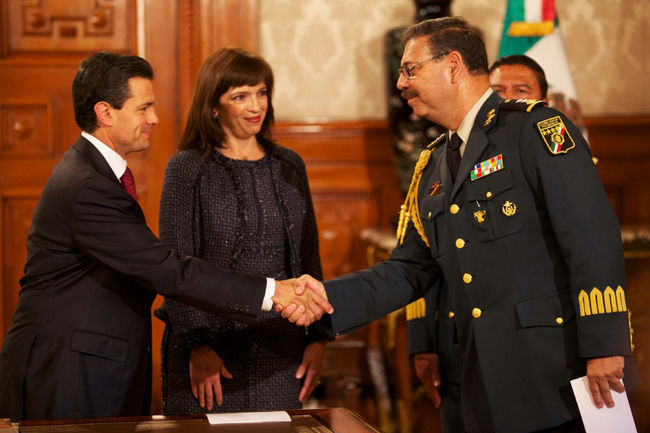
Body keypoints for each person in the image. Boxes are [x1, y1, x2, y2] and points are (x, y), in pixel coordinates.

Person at [282, 17, 636, 433]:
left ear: (452, 66)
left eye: (410, 69)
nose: (400, 83)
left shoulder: (535, 130)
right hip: (481, 381)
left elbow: (592, 241)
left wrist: (604, 347)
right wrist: (325, 298)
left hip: (559, 376)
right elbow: (409, 270)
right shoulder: (433, 164)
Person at [0, 51, 331, 421]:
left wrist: (315, 331)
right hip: (70, 371)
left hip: (96, 365)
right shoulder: (87, 186)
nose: (154, 118)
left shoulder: (94, 175)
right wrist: (273, 292)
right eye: (144, 108)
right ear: (106, 113)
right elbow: (169, 269)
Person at [155, 48, 329, 415]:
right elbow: (174, 266)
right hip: (209, 349)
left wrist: (318, 337)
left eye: (262, 92)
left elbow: (308, 257)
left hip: (281, 346)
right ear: (213, 106)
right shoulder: (187, 168)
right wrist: (198, 345)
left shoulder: (289, 165)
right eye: (240, 96)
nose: (256, 106)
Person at [407, 53, 550, 433]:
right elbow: (424, 262)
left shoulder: (543, 146)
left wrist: (603, 347)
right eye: (498, 89)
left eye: (521, 90)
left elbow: (586, 249)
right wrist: (421, 340)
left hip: (536, 350)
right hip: (462, 346)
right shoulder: (437, 160)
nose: (506, 99)